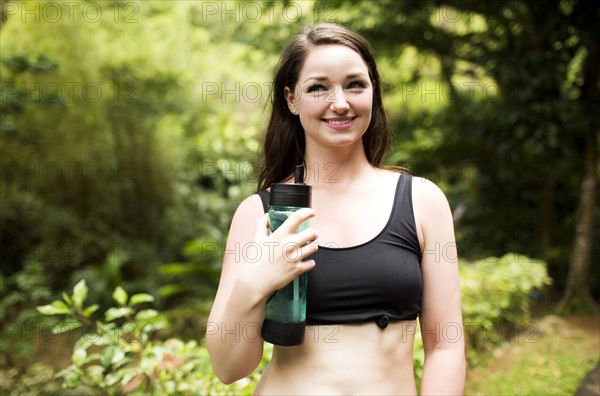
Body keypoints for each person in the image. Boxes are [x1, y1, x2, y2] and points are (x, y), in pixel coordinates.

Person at [206, 22, 465, 395]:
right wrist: (254, 283)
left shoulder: (421, 201)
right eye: (318, 87)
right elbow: (230, 367)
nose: (340, 102)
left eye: (355, 84)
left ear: (373, 93)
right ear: (292, 100)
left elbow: (446, 346)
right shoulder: (260, 213)